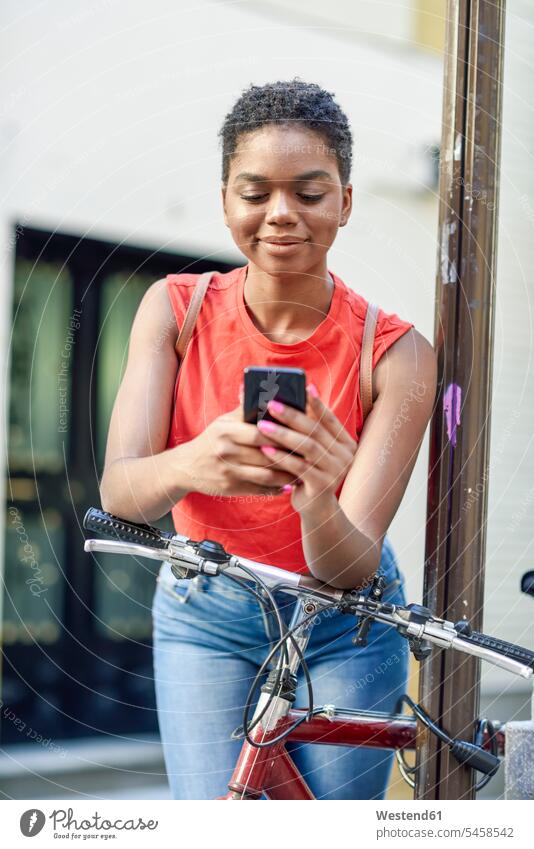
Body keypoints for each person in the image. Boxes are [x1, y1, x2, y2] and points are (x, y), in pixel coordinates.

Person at [99, 78, 437, 800]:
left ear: (345, 201)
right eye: (255, 193)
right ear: (226, 199)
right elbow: (120, 491)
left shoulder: (395, 353)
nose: (281, 214)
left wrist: (317, 496)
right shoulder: (174, 309)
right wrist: (196, 460)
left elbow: (349, 564)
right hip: (204, 614)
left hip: (344, 624)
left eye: (309, 193)